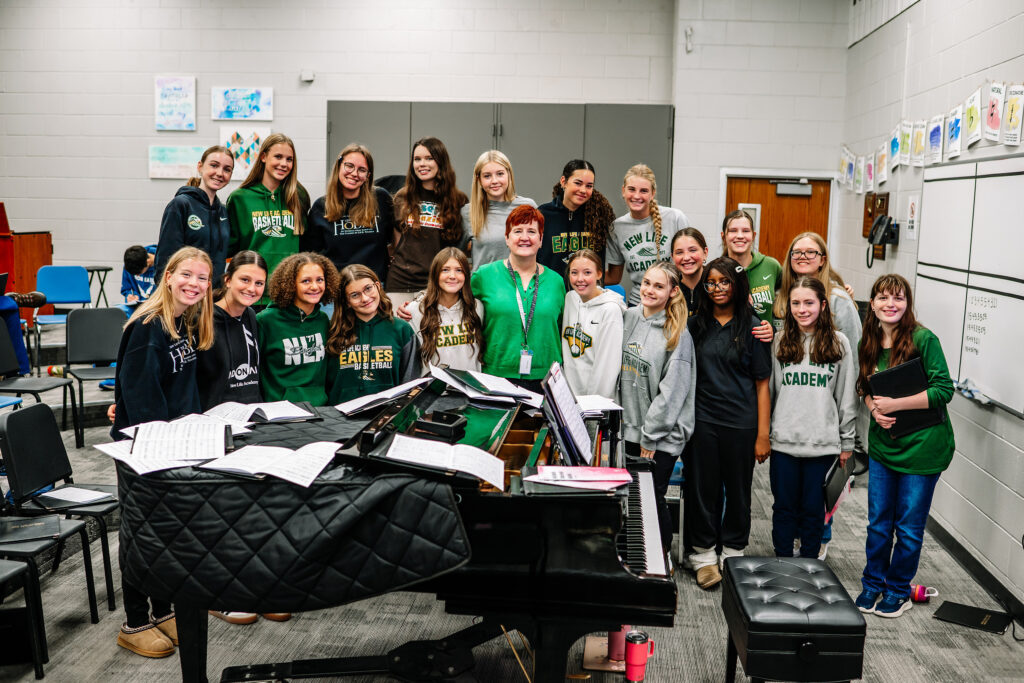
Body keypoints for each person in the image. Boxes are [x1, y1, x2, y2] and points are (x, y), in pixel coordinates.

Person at [111, 246, 215, 658]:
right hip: (146, 451)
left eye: (203, 278)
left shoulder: (182, 321)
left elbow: (180, 393)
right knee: (141, 534)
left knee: (168, 536)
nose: (194, 284)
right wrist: (164, 452)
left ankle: (162, 609)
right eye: (187, 275)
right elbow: (141, 403)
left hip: (176, 445)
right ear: (168, 275)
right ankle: (135, 622)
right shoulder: (147, 326)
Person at [854, 274, 955, 618]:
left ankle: (898, 590)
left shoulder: (923, 339)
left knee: (908, 528)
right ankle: (872, 585)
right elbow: (863, 387)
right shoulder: (867, 340)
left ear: (908, 304)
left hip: (924, 449)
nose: (890, 304)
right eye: (883, 298)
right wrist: (873, 410)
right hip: (884, 446)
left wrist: (895, 406)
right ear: (873, 304)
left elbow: (944, 391)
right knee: (878, 523)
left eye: (898, 298)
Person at [774, 230, 863, 559]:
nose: (801, 308)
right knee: (784, 507)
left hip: (823, 441)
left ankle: (811, 561)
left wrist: (848, 441)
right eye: (795, 303)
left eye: (809, 303)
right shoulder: (780, 340)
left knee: (815, 508)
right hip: (785, 439)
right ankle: (784, 560)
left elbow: (846, 393)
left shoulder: (838, 336)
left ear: (823, 305)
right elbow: (771, 390)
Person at [685, 257, 771, 589]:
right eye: (711, 282)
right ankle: (704, 556)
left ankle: (733, 551)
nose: (717, 288)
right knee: (702, 489)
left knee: (738, 491)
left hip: (742, 422)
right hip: (703, 420)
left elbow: (762, 384)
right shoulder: (696, 325)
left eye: (724, 282)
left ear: (737, 286)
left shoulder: (754, 327)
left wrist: (763, 434)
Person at [619, 260, 695, 552]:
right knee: (630, 497)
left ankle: (659, 561)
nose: (649, 290)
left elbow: (672, 393)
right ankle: (634, 556)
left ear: (673, 292)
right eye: (646, 283)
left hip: (658, 436)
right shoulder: (628, 317)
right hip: (629, 429)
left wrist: (650, 435)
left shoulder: (678, 334)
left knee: (652, 497)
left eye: (659, 286)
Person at [471, 205, 564, 392]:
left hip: (546, 379)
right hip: (497, 374)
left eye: (531, 231)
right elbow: (452, 300)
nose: (524, 237)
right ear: (506, 238)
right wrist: (415, 307)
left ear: (541, 239)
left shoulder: (557, 282)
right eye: (517, 231)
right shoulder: (484, 276)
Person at [387, 137, 468, 308]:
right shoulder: (402, 197)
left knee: (430, 334)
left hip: (436, 283)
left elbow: (457, 246)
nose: (422, 164)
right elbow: (396, 241)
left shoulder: (458, 200)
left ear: (441, 161)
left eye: (429, 158)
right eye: (417, 159)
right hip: (400, 282)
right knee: (402, 333)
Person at [326, 264, 419, 405]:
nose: (364, 298)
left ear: (377, 286)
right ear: (347, 302)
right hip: (341, 417)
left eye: (368, 289)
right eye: (355, 295)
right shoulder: (333, 332)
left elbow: (410, 381)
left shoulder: (401, 329)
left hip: (386, 416)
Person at [303, 143, 394, 284]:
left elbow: (395, 238)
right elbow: (310, 255)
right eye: (349, 166)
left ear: (368, 176)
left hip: (374, 289)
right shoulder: (321, 207)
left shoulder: (381, 199)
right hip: (335, 291)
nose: (354, 174)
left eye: (362, 170)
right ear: (339, 166)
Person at [227, 133, 309, 288]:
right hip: (252, 289)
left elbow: (306, 246)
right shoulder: (240, 198)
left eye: (289, 159)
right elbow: (231, 248)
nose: (284, 164)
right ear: (263, 157)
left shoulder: (299, 196)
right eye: (278, 157)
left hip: (289, 289)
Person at [257, 252, 339, 406]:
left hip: (321, 410)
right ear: (290, 284)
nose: (314, 287)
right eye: (306, 281)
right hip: (280, 414)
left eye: (320, 280)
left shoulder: (322, 320)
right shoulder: (265, 321)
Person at [606, 164, 689, 305]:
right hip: (638, 304)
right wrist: (581, 275)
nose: (637, 196)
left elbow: (689, 264)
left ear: (653, 193)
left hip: (673, 302)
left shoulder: (675, 218)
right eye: (631, 189)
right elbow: (614, 277)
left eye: (644, 191)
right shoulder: (617, 228)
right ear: (623, 191)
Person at [196, 250, 267, 411]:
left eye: (259, 283)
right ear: (228, 280)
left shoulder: (250, 315)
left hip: (252, 415)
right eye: (245, 280)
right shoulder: (202, 319)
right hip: (215, 417)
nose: (251, 288)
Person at [155, 145, 234, 283]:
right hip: (184, 293)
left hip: (212, 296)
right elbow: (165, 258)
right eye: (214, 165)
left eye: (227, 169)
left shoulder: (224, 212)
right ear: (200, 167)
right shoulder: (181, 205)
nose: (220, 173)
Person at [408, 247, 484, 372]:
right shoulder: (416, 310)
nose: (452, 276)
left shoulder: (476, 307)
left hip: (470, 388)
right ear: (435, 274)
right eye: (445, 270)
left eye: (459, 270)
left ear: (466, 275)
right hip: (433, 389)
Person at [537, 159, 615, 280]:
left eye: (589, 186)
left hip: (587, 295)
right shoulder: (543, 215)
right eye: (578, 183)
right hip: (552, 293)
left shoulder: (599, 216)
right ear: (564, 182)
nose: (583, 190)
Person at [561, 249, 624, 398]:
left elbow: (606, 369)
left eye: (587, 273)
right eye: (574, 272)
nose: (579, 279)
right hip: (569, 398)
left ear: (599, 274)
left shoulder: (610, 310)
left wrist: (593, 409)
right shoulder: (570, 299)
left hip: (595, 405)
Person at [461, 150, 536, 271]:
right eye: (487, 176)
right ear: (479, 179)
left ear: (509, 174)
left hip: (521, 286)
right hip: (482, 288)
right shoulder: (467, 213)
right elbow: (454, 257)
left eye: (500, 174)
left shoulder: (527, 207)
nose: (494, 181)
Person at [721, 209, 782, 326]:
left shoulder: (771, 266)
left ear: (753, 235)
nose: (739, 236)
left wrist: (774, 329)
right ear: (723, 236)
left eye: (745, 231)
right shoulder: (716, 271)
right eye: (733, 231)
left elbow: (786, 298)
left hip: (763, 342)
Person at [120, 245, 157, 314]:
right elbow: (126, 288)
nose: (136, 276)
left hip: (156, 309)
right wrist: (130, 295)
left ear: (148, 262)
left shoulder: (163, 265)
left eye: (138, 273)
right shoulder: (131, 263)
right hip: (137, 309)